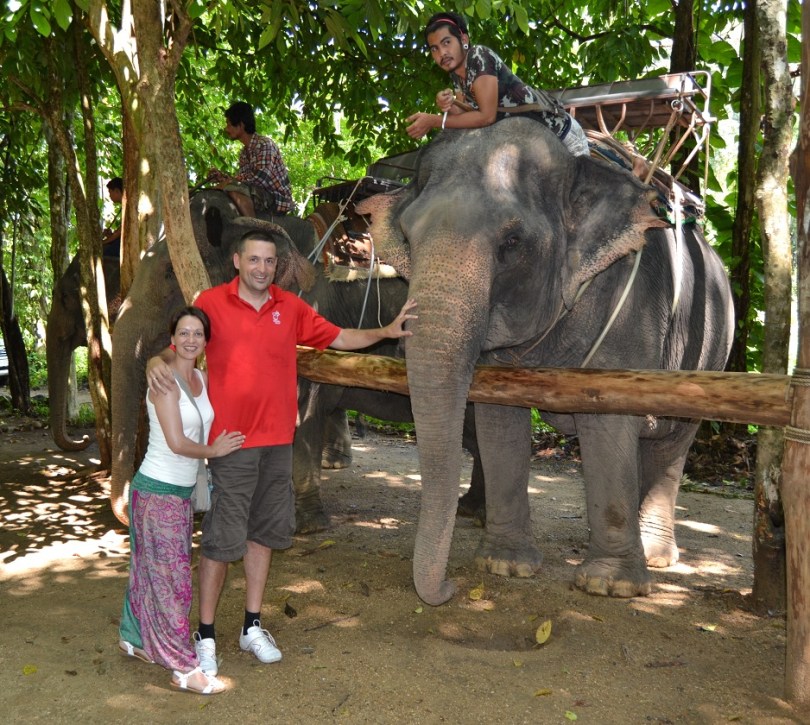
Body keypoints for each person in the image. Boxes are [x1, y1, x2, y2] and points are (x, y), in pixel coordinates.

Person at [145, 231, 417, 676]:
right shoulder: (211, 303)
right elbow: (183, 346)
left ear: (277, 266)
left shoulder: (289, 307)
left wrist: (386, 331)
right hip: (231, 444)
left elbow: (339, 338)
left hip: (277, 444)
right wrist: (155, 362)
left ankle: (251, 626)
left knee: (264, 534)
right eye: (254, 259)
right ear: (237, 261)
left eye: (269, 261)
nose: (261, 268)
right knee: (221, 540)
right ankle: (205, 633)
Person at [119, 306, 246, 695]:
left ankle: (133, 639)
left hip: (179, 493)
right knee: (172, 581)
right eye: (184, 333)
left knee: (149, 571)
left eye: (198, 333)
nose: (191, 339)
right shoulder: (163, 380)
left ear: (206, 341)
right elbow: (176, 442)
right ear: (172, 338)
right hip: (157, 491)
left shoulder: (201, 379)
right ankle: (183, 668)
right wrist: (214, 451)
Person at [405, 11, 589, 157]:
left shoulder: (479, 56)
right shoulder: (456, 76)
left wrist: (435, 121)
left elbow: (486, 117)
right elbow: (465, 117)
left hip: (561, 135)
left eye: (446, 42)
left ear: (464, 40)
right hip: (532, 145)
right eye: (435, 49)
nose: (442, 53)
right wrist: (448, 104)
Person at [207, 101, 294, 218]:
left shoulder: (264, 144)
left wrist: (228, 182)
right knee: (230, 188)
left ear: (241, 125)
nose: (226, 129)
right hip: (257, 193)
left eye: (229, 124)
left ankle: (253, 226)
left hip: (276, 199)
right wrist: (221, 178)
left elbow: (260, 179)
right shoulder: (244, 153)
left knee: (233, 188)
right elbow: (244, 179)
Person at [102, 177, 123, 258]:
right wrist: (110, 235)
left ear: (117, 191)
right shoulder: (123, 208)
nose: (110, 196)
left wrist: (103, 242)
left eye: (110, 192)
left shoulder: (128, 207)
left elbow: (120, 232)